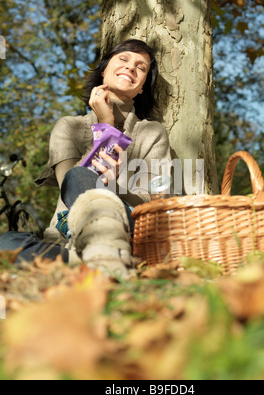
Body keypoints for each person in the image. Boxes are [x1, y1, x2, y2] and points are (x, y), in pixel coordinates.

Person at [0, 39, 171, 278]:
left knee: (81, 175)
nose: (131, 67)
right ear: (104, 71)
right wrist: (106, 126)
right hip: (66, 238)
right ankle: (99, 262)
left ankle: (93, 262)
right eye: (123, 59)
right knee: (7, 244)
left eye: (141, 67)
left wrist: (115, 187)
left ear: (142, 87)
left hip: (130, 233)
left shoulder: (152, 133)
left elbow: (154, 202)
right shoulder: (69, 127)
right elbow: (71, 187)